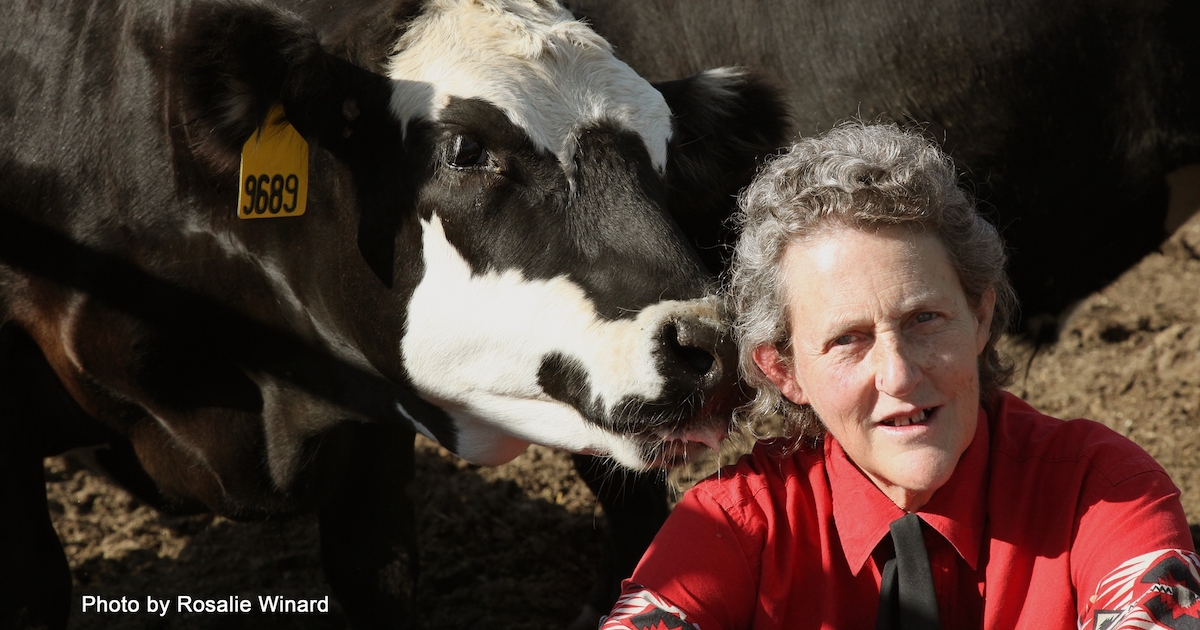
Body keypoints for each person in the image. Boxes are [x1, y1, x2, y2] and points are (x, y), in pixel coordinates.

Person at [600, 122, 1198, 630]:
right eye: (847, 340)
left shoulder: (1103, 490)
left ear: (982, 316)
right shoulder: (733, 525)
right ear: (784, 370)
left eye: (926, 319)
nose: (899, 373)